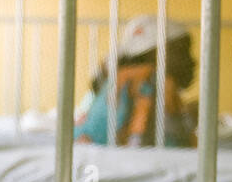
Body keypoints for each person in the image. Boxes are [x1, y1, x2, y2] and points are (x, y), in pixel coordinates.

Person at [73, 16, 197, 147]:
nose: (192, 61)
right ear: (158, 52)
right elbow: (148, 143)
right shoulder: (148, 79)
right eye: (182, 51)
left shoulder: (119, 79)